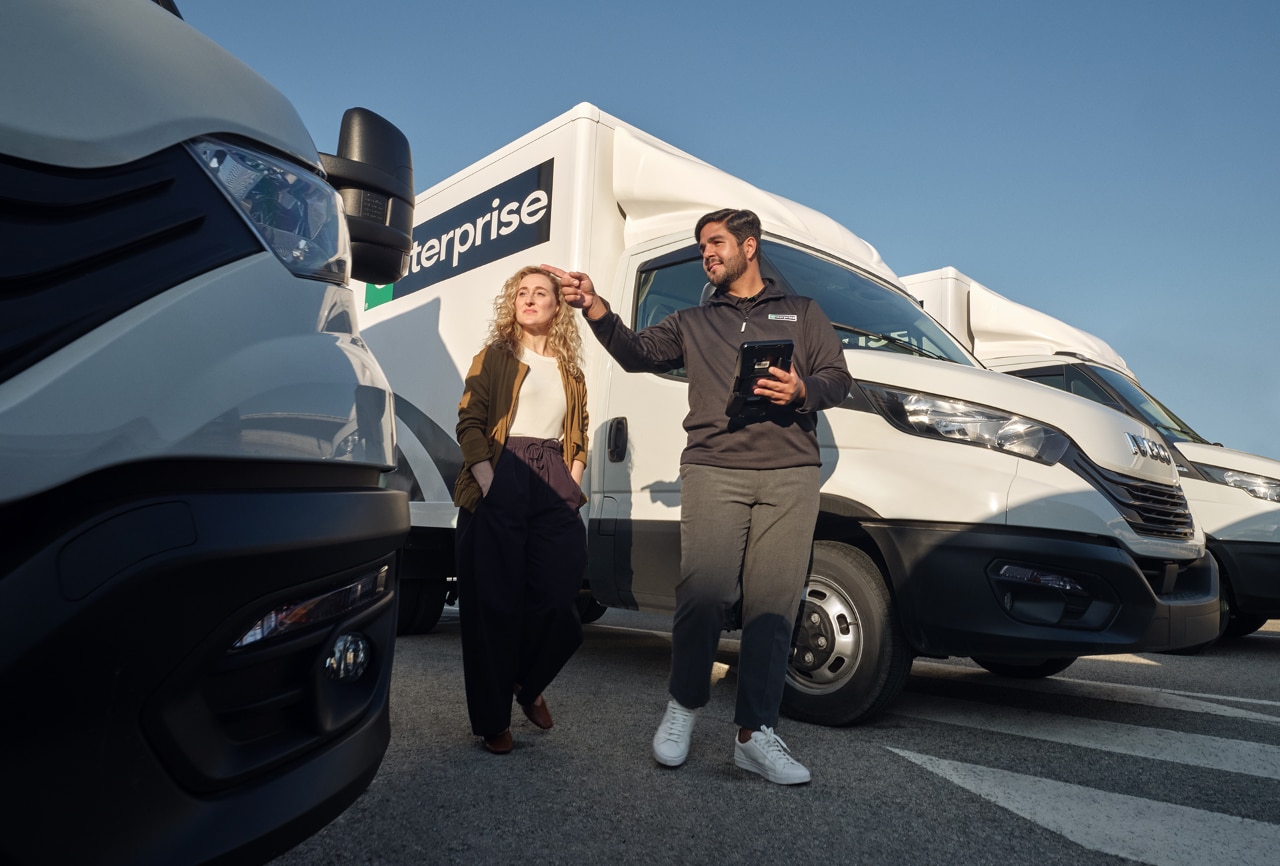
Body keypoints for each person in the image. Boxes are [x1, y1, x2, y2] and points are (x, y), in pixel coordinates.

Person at [546, 207, 851, 785]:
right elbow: (635, 353)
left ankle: (755, 734)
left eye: (715, 243)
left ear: (749, 246)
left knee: (773, 606)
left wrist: (802, 387)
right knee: (704, 594)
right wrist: (595, 307)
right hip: (715, 469)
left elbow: (838, 378)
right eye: (702, 247)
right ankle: (683, 707)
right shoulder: (692, 323)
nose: (706, 254)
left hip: (790, 473)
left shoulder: (804, 313)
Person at [453, 265, 589, 755]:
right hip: (501, 469)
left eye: (540, 293)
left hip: (552, 476)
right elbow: (469, 421)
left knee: (559, 595)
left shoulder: (571, 370)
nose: (529, 299)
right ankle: (493, 720)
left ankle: (527, 684)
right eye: (521, 293)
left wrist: (573, 477)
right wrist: (489, 480)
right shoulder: (493, 357)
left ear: (558, 306)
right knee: (494, 603)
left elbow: (580, 428)